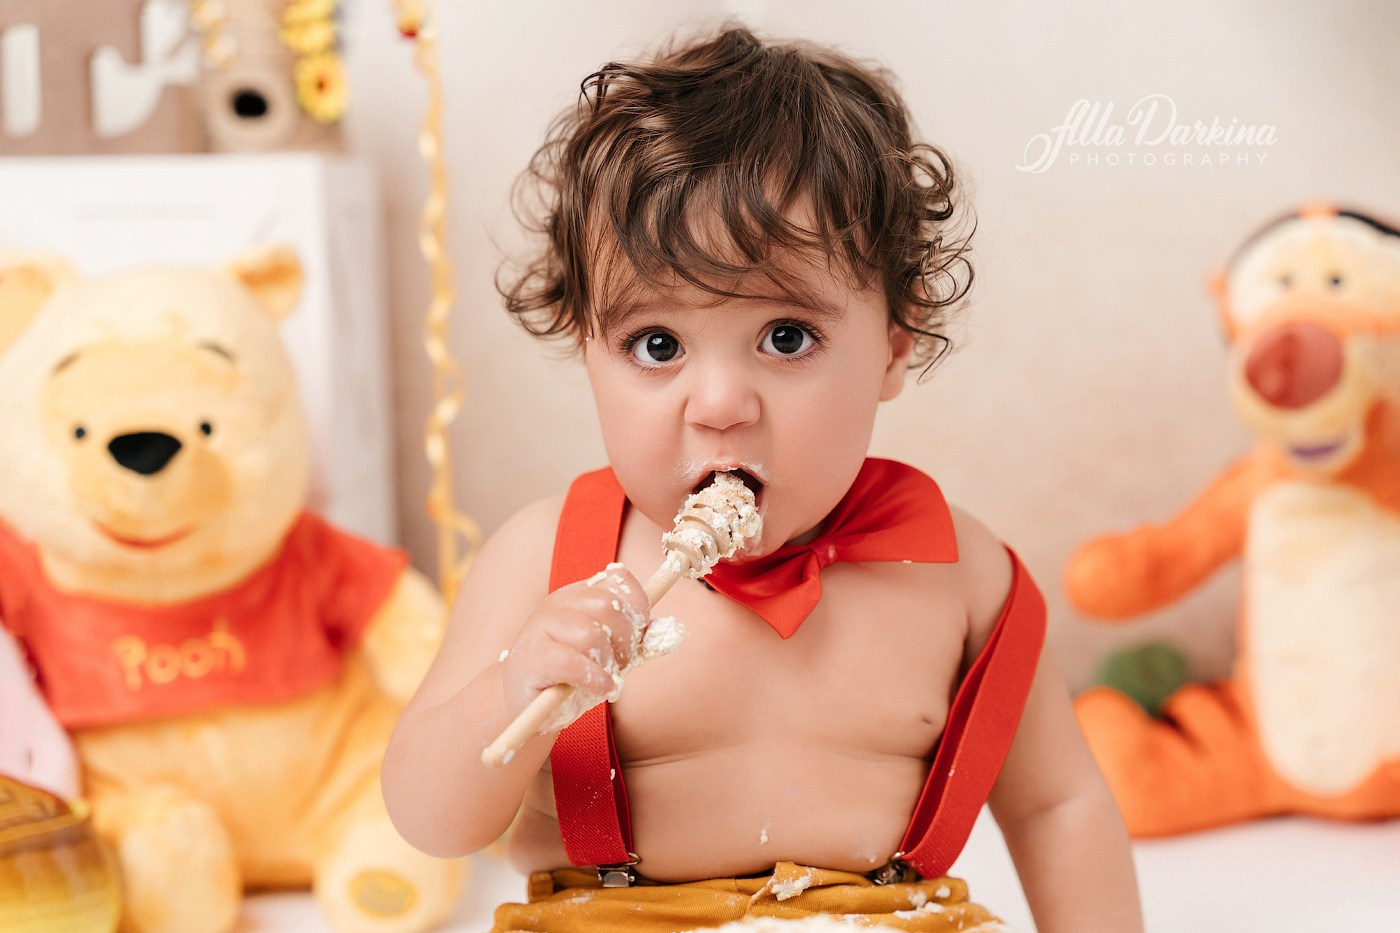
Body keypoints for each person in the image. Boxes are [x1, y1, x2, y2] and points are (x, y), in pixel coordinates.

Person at [383, 26, 1142, 933]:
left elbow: (1059, 806)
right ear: (588, 349)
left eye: (786, 337)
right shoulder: (546, 562)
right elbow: (429, 820)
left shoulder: (961, 575)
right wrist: (515, 687)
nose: (719, 403)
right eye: (656, 344)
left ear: (894, 346)